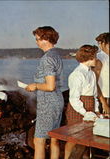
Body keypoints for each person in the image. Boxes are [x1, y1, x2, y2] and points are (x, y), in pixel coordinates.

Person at [26, 26, 64, 159]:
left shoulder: (47, 58)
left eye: (37, 39)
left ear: (46, 39)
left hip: (48, 103)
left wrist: (34, 86)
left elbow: (50, 86)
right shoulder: (56, 55)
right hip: (57, 101)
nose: (36, 42)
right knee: (54, 138)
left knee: (39, 140)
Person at [64, 45, 99, 159]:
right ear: (88, 58)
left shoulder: (92, 73)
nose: (96, 59)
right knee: (73, 140)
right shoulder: (77, 74)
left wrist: (96, 111)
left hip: (90, 109)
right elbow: (73, 98)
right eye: (94, 57)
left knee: (86, 142)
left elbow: (94, 95)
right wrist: (85, 113)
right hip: (77, 111)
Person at [94, 33, 109, 114]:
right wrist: (104, 103)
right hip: (103, 99)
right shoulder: (98, 58)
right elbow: (94, 82)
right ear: (103, 44)